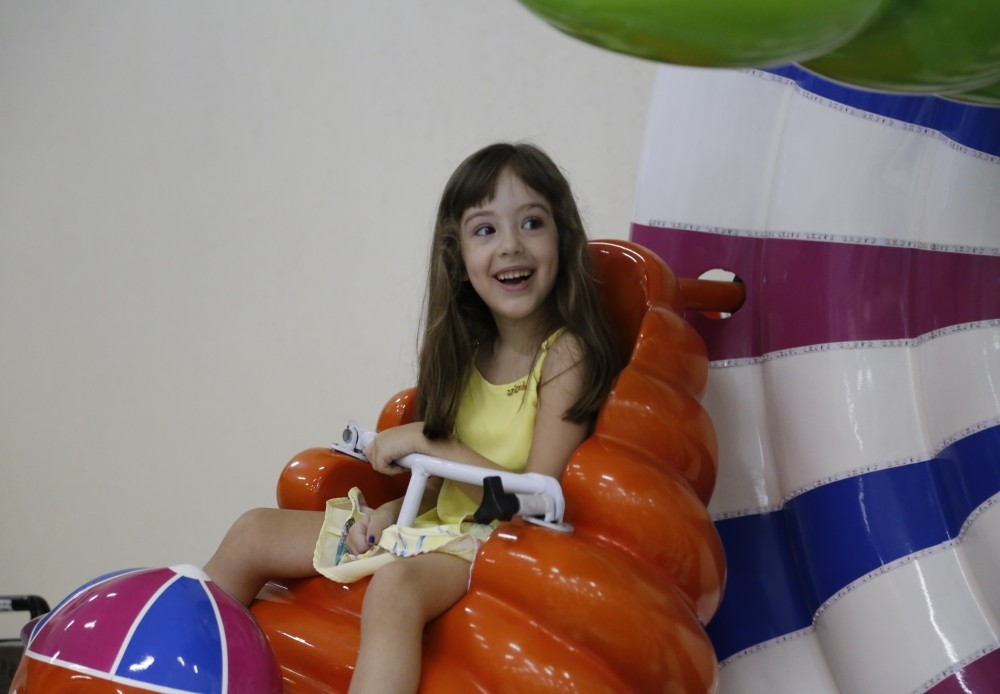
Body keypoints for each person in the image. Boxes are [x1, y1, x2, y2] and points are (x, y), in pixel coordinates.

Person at [203, 142, 623, 693]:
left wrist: (427, 442)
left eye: (532, 222)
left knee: (395, 590)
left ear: (563, 238)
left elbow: (535, 501)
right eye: (485, 230)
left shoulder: (564, 355)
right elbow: (442, 487)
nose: (511, 245)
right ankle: (165, 665)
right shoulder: (466, 354)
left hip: (495, 547)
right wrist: (390, 508)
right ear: (458, 255)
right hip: (430, 528)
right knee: (253, 531)